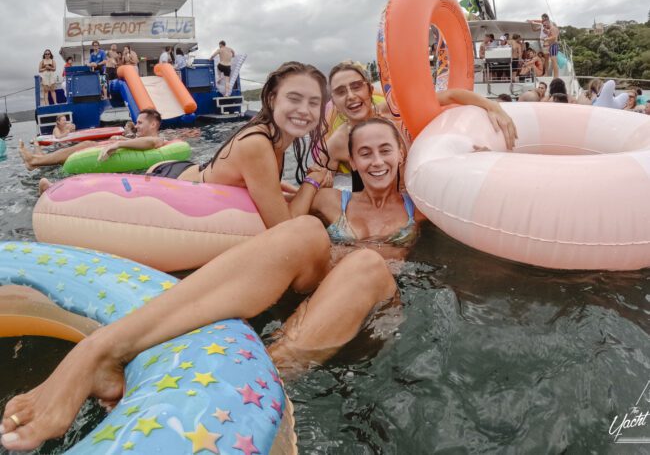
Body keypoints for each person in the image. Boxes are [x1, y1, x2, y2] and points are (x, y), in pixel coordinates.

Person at [0, 119, 426, 452]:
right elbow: (284, 218)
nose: (376, 161)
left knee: (367, 263)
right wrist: (316, 174)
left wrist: (485, 112)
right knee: (305, 233)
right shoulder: (333, 199)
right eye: (364, 152)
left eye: (385, 150)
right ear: (351, 159)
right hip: (313, 297)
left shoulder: (421, 209)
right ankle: (102, 350)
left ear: (401, 152)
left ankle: (243, 377)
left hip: (372, 311)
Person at [147, 62, 333, 227]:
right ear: (272, 99)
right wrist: (312, 181)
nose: (304, 110)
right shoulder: (257, 143)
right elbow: (284, 227)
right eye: (294, 98)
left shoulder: (276, 138)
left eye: (314, 103)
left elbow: (263, 187)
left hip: (187, 170)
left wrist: (300, 191)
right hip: (169, 180)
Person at [323, 61, 516, 189]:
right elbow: (320, 177)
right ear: (335, 101)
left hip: (426, 192)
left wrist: (493, 107)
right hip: (394, 212)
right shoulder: (340, 140)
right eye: (341, 92)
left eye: (356, 87)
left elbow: (451, 95)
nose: (350, 96)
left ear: (369, 89)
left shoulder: (394, 111)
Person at [19, 109, 163, 176]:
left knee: (86, 145)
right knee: (87, 144)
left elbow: (152, 142)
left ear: (153, 125)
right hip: (108, 154)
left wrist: (118, 144)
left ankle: (34, 161)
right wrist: (120, 139)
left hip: (112, 160)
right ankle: (37, 159)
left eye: (140, 123)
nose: (136, 126)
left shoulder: (159, 139)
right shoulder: (138, 138)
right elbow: (142, 142)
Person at [529, 14, 560, 78]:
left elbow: (554, 36)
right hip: (546, 43)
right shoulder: (543, 25)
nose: (543, 21)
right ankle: (547, 74)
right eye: (542, 19)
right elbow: (534, 29)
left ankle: (555, 76)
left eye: (544, 19)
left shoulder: (552, 26)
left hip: (551, 44)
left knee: (553, 60)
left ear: (547, 19)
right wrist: (532, 23)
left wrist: (547, 37)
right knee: (547, 59)